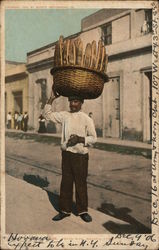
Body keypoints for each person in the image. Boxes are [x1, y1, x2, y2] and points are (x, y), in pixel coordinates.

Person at [44, 93, 97, 222]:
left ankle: (82, 211)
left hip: (80, 156)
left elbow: (94, 138)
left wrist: (80, 139)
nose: (72, 104)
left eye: (76, 102)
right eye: (71, 102)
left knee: (80, 183)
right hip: (67, 154)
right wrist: (51, 99)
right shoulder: (65, 116)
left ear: (81, 103)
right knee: (66, 183)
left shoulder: (86, 119)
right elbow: (47, 115)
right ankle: (64, 210)